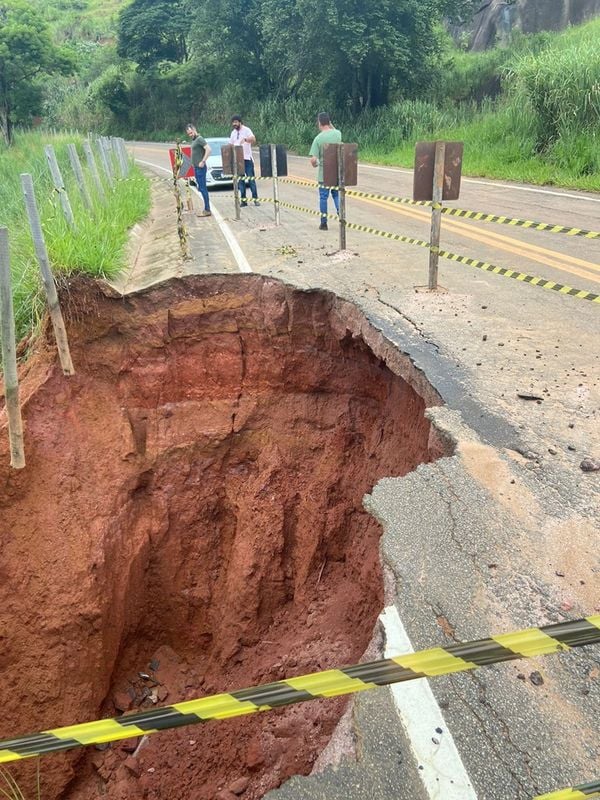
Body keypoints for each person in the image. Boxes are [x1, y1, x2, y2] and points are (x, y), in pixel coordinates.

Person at [309, 112, 341, 230]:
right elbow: (335, 131)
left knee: (323, 198)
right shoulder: (338, 134)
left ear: (319, 123)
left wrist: (316, 164)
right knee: (336, 195)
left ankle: (324, 223)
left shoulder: (318, 139)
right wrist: (330, 125)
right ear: (329, 122)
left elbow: (313, 160)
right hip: (336, 173)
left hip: (324, 174)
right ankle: (341, 216)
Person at [229, 115, 259, 207]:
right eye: (233, 122)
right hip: (238, 160)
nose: (234, 124)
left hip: (247, 159)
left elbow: (254, 139)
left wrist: (246, 139)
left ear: (240, 122)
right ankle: (243, 201)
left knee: (251, 180)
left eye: (236, 122)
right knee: (241, 181)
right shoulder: (233, 133)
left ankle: (255, 199)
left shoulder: (246, 130)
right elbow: (230, 144)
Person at [185, 123, 211, 217]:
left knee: (203, 188)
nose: (190, 135)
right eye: (188, 134)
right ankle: (206, 208)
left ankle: (207, 209)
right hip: (196, 168)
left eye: (191, 132)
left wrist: (203, 161)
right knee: (200, 188)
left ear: (194, 129)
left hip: (200, 168)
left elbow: (208, 149)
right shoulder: (194, 140)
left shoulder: (200, 139)